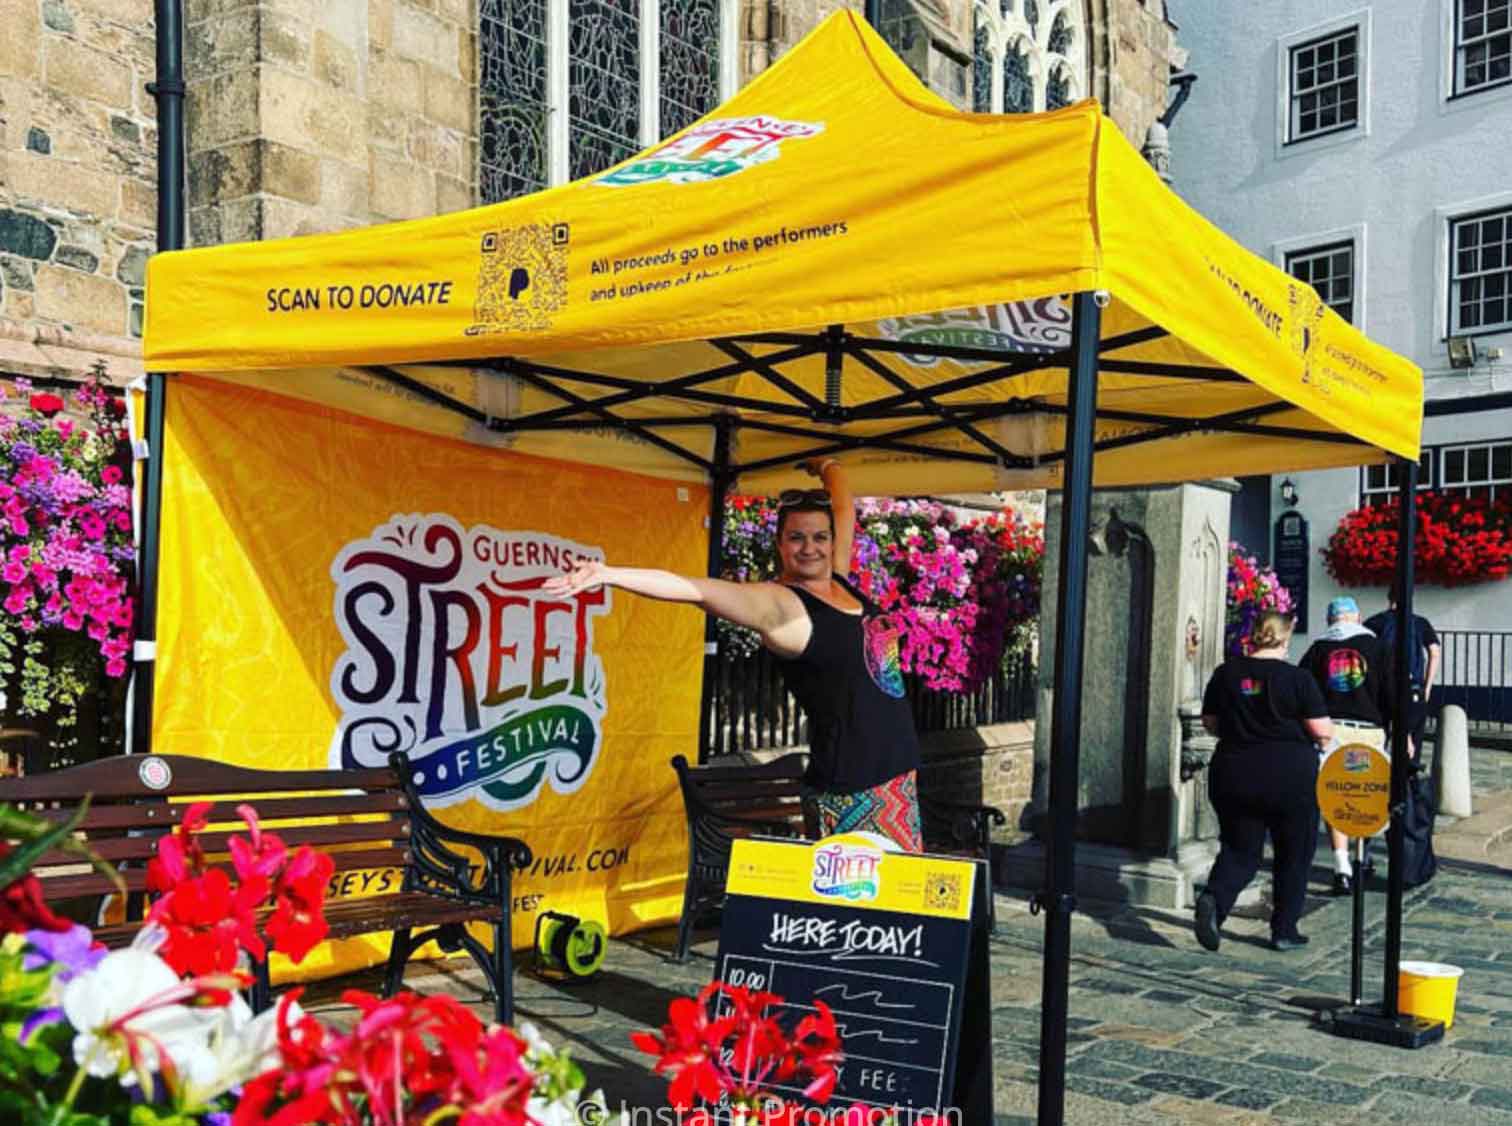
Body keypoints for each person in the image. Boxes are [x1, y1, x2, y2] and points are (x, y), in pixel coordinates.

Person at [542, 458, 925, 851]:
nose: (810, 547)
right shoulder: (778, 605)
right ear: (779, 544)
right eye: (796, 538)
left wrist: (827, 466)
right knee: (866, 893)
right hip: (852, 789)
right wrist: (610, 575)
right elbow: (695, 589)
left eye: (820, 537)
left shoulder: (839, 580)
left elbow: (843, 508)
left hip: (896, 778)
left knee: (904, 889)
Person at [1195, 611, 1333, 953]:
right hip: (1289, 777)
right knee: (1294, 854)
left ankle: (1214, 899)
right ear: (1285, 639)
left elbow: (1209, 722)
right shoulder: (1298, 679)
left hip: (1234, 771)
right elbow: (1322, 731)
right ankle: (1284, 930)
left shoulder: (1226, 674)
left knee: (1239, 850)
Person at [1298, 596, 1393, 896]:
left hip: (1332, 731)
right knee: (1365, 793)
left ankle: (1341, 866)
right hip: (1369, 731)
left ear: (1330, 620)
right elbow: (1392, 693)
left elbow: (1304, 695)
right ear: (1358, 617)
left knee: (1335, 796)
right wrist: (1400, 733)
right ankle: (1361, 857)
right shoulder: (1378, 648)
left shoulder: (1318, 649)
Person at [1364, 581, 1441, 758]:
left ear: (1389, 597)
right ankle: (1409, 770)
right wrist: (1427, 687)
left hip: (1382, 688)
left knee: (1379, 736)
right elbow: (1434, 652)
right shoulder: (1420, 623)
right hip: (1413, 686)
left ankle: (1380, 768)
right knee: (1412, 738)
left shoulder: (1375, 622)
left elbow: (1365, 652)